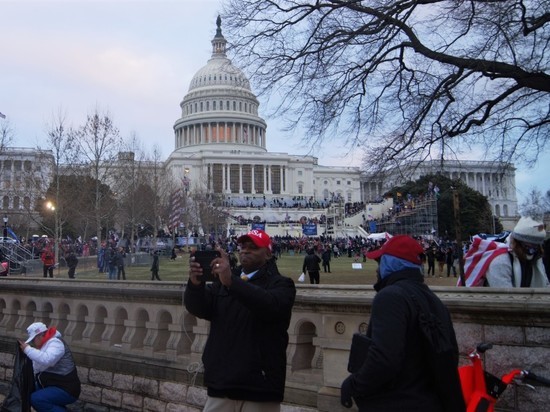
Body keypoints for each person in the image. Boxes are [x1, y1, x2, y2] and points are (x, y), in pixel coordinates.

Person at [340, 235, 464, 411]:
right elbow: (451, 355)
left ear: (391, 263)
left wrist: (353, 384)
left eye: (380, 262)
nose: (378, 269)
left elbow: (384, 358)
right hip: (428, 401)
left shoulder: (390, 297)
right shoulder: (433, 300)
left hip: (397, 401)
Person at [184, 229, 296, 412]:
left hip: (260, 386)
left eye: (253, 247)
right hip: (222, 383)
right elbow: (199, 308)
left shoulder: (282, 284)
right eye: (243, 246)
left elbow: (269, 305)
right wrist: (196, 284)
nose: (245, 251)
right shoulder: (224, 281)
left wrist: (231, 282)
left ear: (268, 253)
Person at [18, 322, 81, 411]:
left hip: (66, 389)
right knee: (28, 391)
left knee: (37, 399)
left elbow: (47, 359)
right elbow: (37, 367)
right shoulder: (45, 344)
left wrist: (28, 350)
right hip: (52, 385)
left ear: (39, 335)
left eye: (33, 340)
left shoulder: (56, 343)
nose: (33, 343)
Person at [485, 216, 549, 287]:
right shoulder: (501, 261)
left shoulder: (536, 260)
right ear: (517, 242)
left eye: (536, 244)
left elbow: (546, 287)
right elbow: (505, 295)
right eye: (528, 244)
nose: (532, 248)